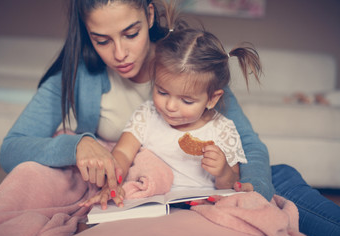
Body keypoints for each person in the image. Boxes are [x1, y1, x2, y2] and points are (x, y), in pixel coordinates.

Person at [0, 0, 339, 236]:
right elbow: (12, 148)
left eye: (131, 33)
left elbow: (246, 144)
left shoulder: (187, 64)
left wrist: (254, 191)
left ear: (149, 13)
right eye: (102, 40)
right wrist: (79, 143)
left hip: (226, 177)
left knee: (300, 207)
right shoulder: (76, 75)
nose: (120, 53)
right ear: (87, 34)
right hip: (157, 188)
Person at [80, 16, 262, 209]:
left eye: (187, 100)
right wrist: (113, 183)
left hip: (201, 206)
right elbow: (123, 152)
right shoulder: (147, 115)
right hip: (152, 202)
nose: (171, 106)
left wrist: (223, 171)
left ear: (212, 99)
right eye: (162, 92)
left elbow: (231, 184)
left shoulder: (222, 129)